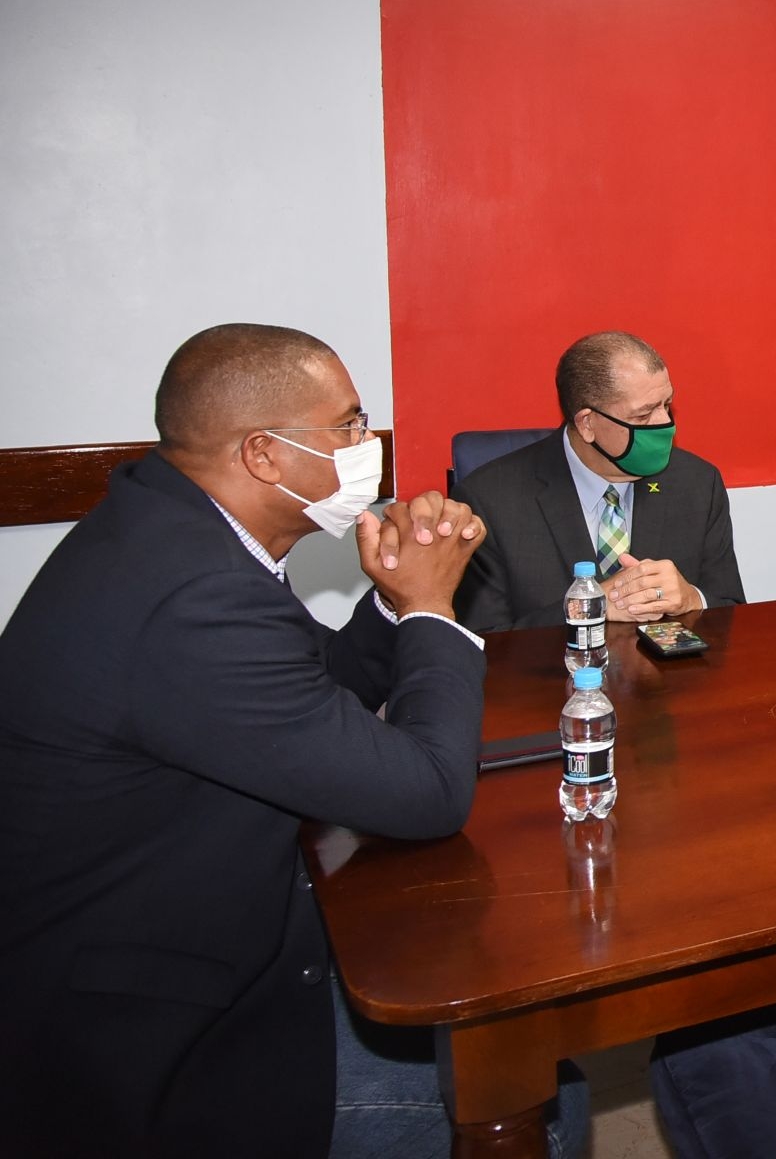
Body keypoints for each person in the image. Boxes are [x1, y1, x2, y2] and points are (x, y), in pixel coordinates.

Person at [0, 324, 585, 1156]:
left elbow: (311, 691)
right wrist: (430, 609)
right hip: (148, 1028)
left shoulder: (176, 534)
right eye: (347, 424)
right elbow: (428, 794)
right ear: (264, 457)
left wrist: (388, 602)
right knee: (539, 1098)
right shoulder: (194, 599)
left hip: (180, 931)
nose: (367, 443)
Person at [454, 331, 745, 632]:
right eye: (644, 415)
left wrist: (692, 599)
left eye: (666, 405)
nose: (665, 424)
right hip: (556, 677)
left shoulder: (697, 483)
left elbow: (731, 611)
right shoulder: (489, 502)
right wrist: (587, 607)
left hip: (669, 678)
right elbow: (484, 646)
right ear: (587, 424)